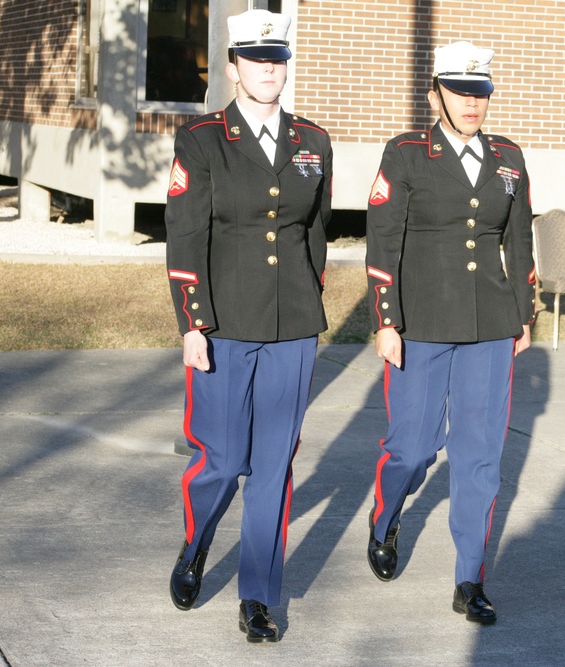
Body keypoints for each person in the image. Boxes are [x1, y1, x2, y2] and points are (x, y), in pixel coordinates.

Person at [164, 9, 332, 643]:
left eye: (277, 58)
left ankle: (259, 594)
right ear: (232, 68)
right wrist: (192, 323)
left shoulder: (313, 142)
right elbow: (185, 235)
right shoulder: (203, 139)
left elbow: (313, 231)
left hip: (292, 323)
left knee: (272, 464)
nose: (269, 67)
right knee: (224, 459)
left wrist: (312, 304)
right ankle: (196, 543)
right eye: (255, 58)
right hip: (223, 323)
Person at [364, 40, 534, 625]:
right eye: (459, 92)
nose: (471, 103)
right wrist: (386, 320)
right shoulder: (407, 153)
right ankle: (386, 514)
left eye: (480, 92)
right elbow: (382, 240)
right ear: (435, 94)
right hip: (420, 322)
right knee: (412, 447)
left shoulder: (509, 157)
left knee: (480, 453)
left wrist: (524, 314)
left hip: (489, 324)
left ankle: (470, 577)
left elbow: (519, 240)